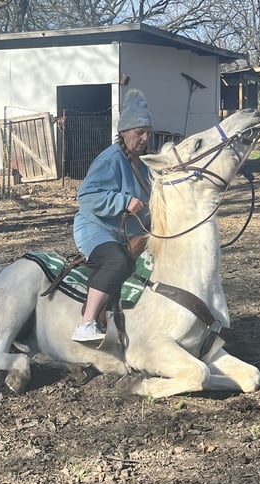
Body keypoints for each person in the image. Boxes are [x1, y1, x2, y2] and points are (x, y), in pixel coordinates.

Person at [71, 89, 153, 342]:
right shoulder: (110, 159)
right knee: (117, 262)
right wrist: (123, 201)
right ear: (124, 133)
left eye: (148, 132)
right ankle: (87, 323)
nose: (145, 138)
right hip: (96, 229)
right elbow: (86, 196)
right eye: (139, 132)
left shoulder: (145, 162)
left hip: (129, 232)